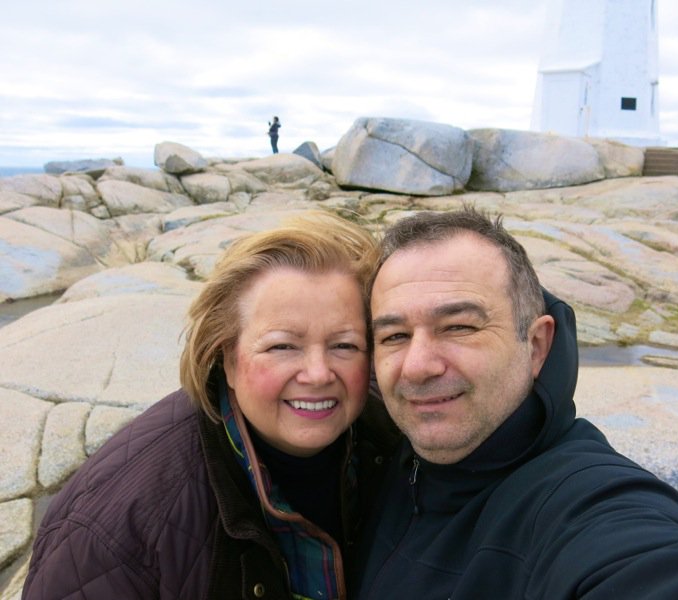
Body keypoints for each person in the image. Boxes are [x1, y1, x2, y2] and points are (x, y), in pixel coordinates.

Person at [354, 207, 678, 599]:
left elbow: (649, 566)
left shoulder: (581, 500)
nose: (417, 366)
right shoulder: (383, 458)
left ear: (536, 345)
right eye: (394, 336)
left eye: (459, 327)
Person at [23, 212, 398, 599]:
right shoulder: (117, 528)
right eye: (282, 346)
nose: (318, 374)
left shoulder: (396, 431)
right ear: (228, 360)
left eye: (344, 345)